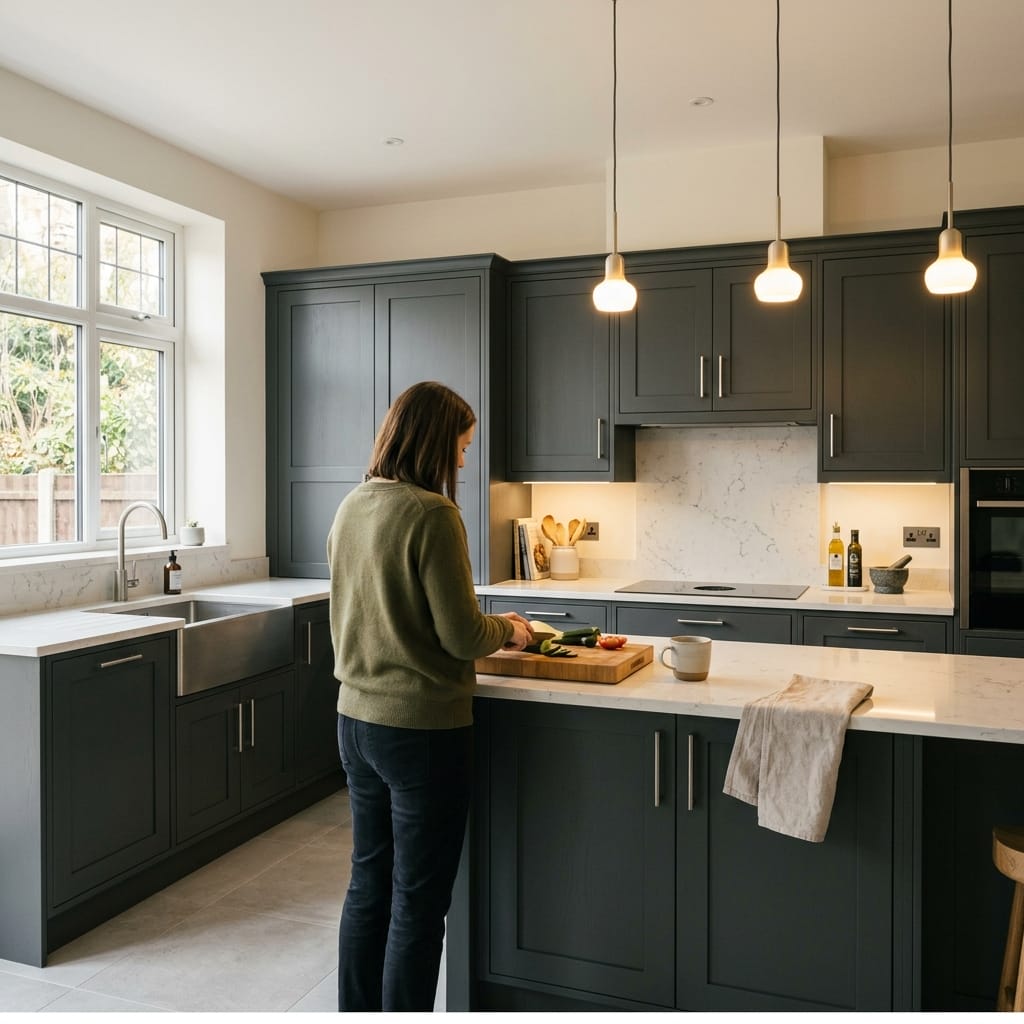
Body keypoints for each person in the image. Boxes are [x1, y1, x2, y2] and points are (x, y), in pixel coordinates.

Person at [326, 380, 533, 1012]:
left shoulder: (353, 505)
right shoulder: (433, 514)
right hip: (422, 732)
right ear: (436, 443)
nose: (464, 462)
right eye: (462, 447)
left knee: (369, 883)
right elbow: (464, 633)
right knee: (418, 902)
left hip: (355, 721)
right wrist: (516, 631)